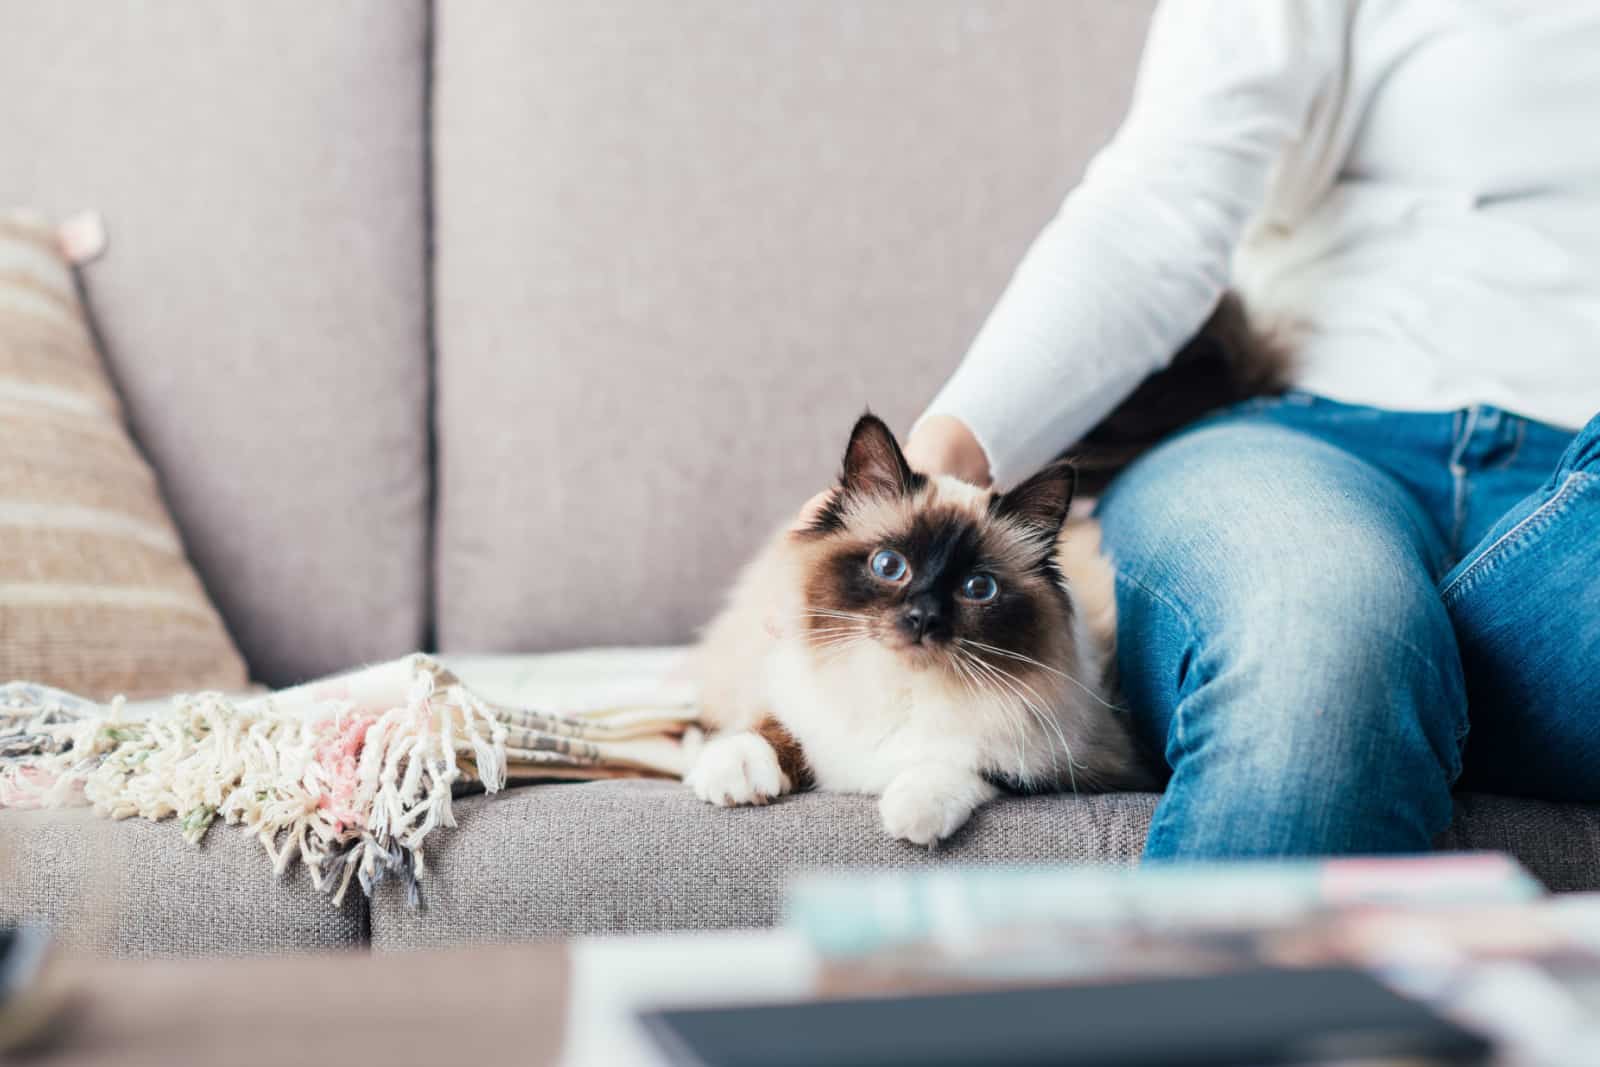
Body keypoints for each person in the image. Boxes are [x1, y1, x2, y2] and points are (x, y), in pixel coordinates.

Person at [896, 1, 1600, 857]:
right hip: (1303, 440)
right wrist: (941, 464)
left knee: (1361, 663)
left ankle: (1414, 697)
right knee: (1318, 637)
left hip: (1580, 533)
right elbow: (1160, 206)